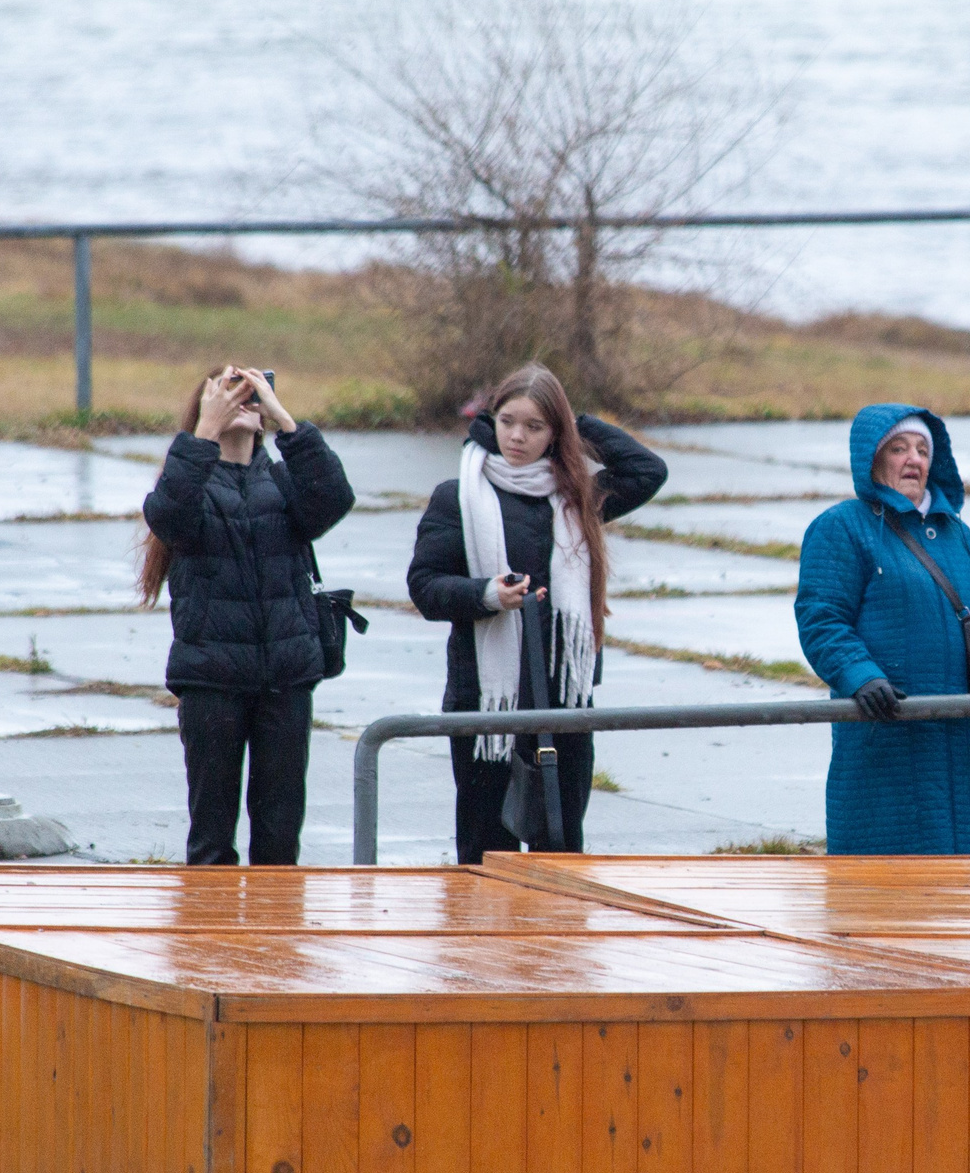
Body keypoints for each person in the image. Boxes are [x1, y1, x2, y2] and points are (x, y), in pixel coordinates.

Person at [408, 364, 665, 865]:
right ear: (490, 421)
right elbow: (425, 587)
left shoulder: (576, 497)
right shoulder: (458, 496)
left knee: (561, 850)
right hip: (485, 702)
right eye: (506, 422)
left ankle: (558, 943)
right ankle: (483, 946)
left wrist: (576, 422)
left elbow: (647, 471)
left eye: (535, 426)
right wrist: (485, 595)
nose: (517, 437)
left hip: (563, 702)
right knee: (485, 852)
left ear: (556, 432)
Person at [139, 366, 355, 866]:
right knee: (212, 836)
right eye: (228, 392)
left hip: (286, 676)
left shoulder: (282, 482)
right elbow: (168, 515)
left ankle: (275, 940)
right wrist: (204, 433)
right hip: (212, 678)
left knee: (280, 834)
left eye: (252, 394)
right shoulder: (192, 482)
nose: (242, 401)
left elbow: (334, 498)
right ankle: (208, 940)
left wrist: (285, 422)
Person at [796, 405, 970, 854]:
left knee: (969, 889)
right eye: (898, 449)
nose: (913, 460)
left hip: (968, 747)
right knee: (885, 886)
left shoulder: (958, 534)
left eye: (921, 449)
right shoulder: (841, 528)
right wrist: (861, 676)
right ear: (871, 461)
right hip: (887, 731)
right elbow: (822, 619)